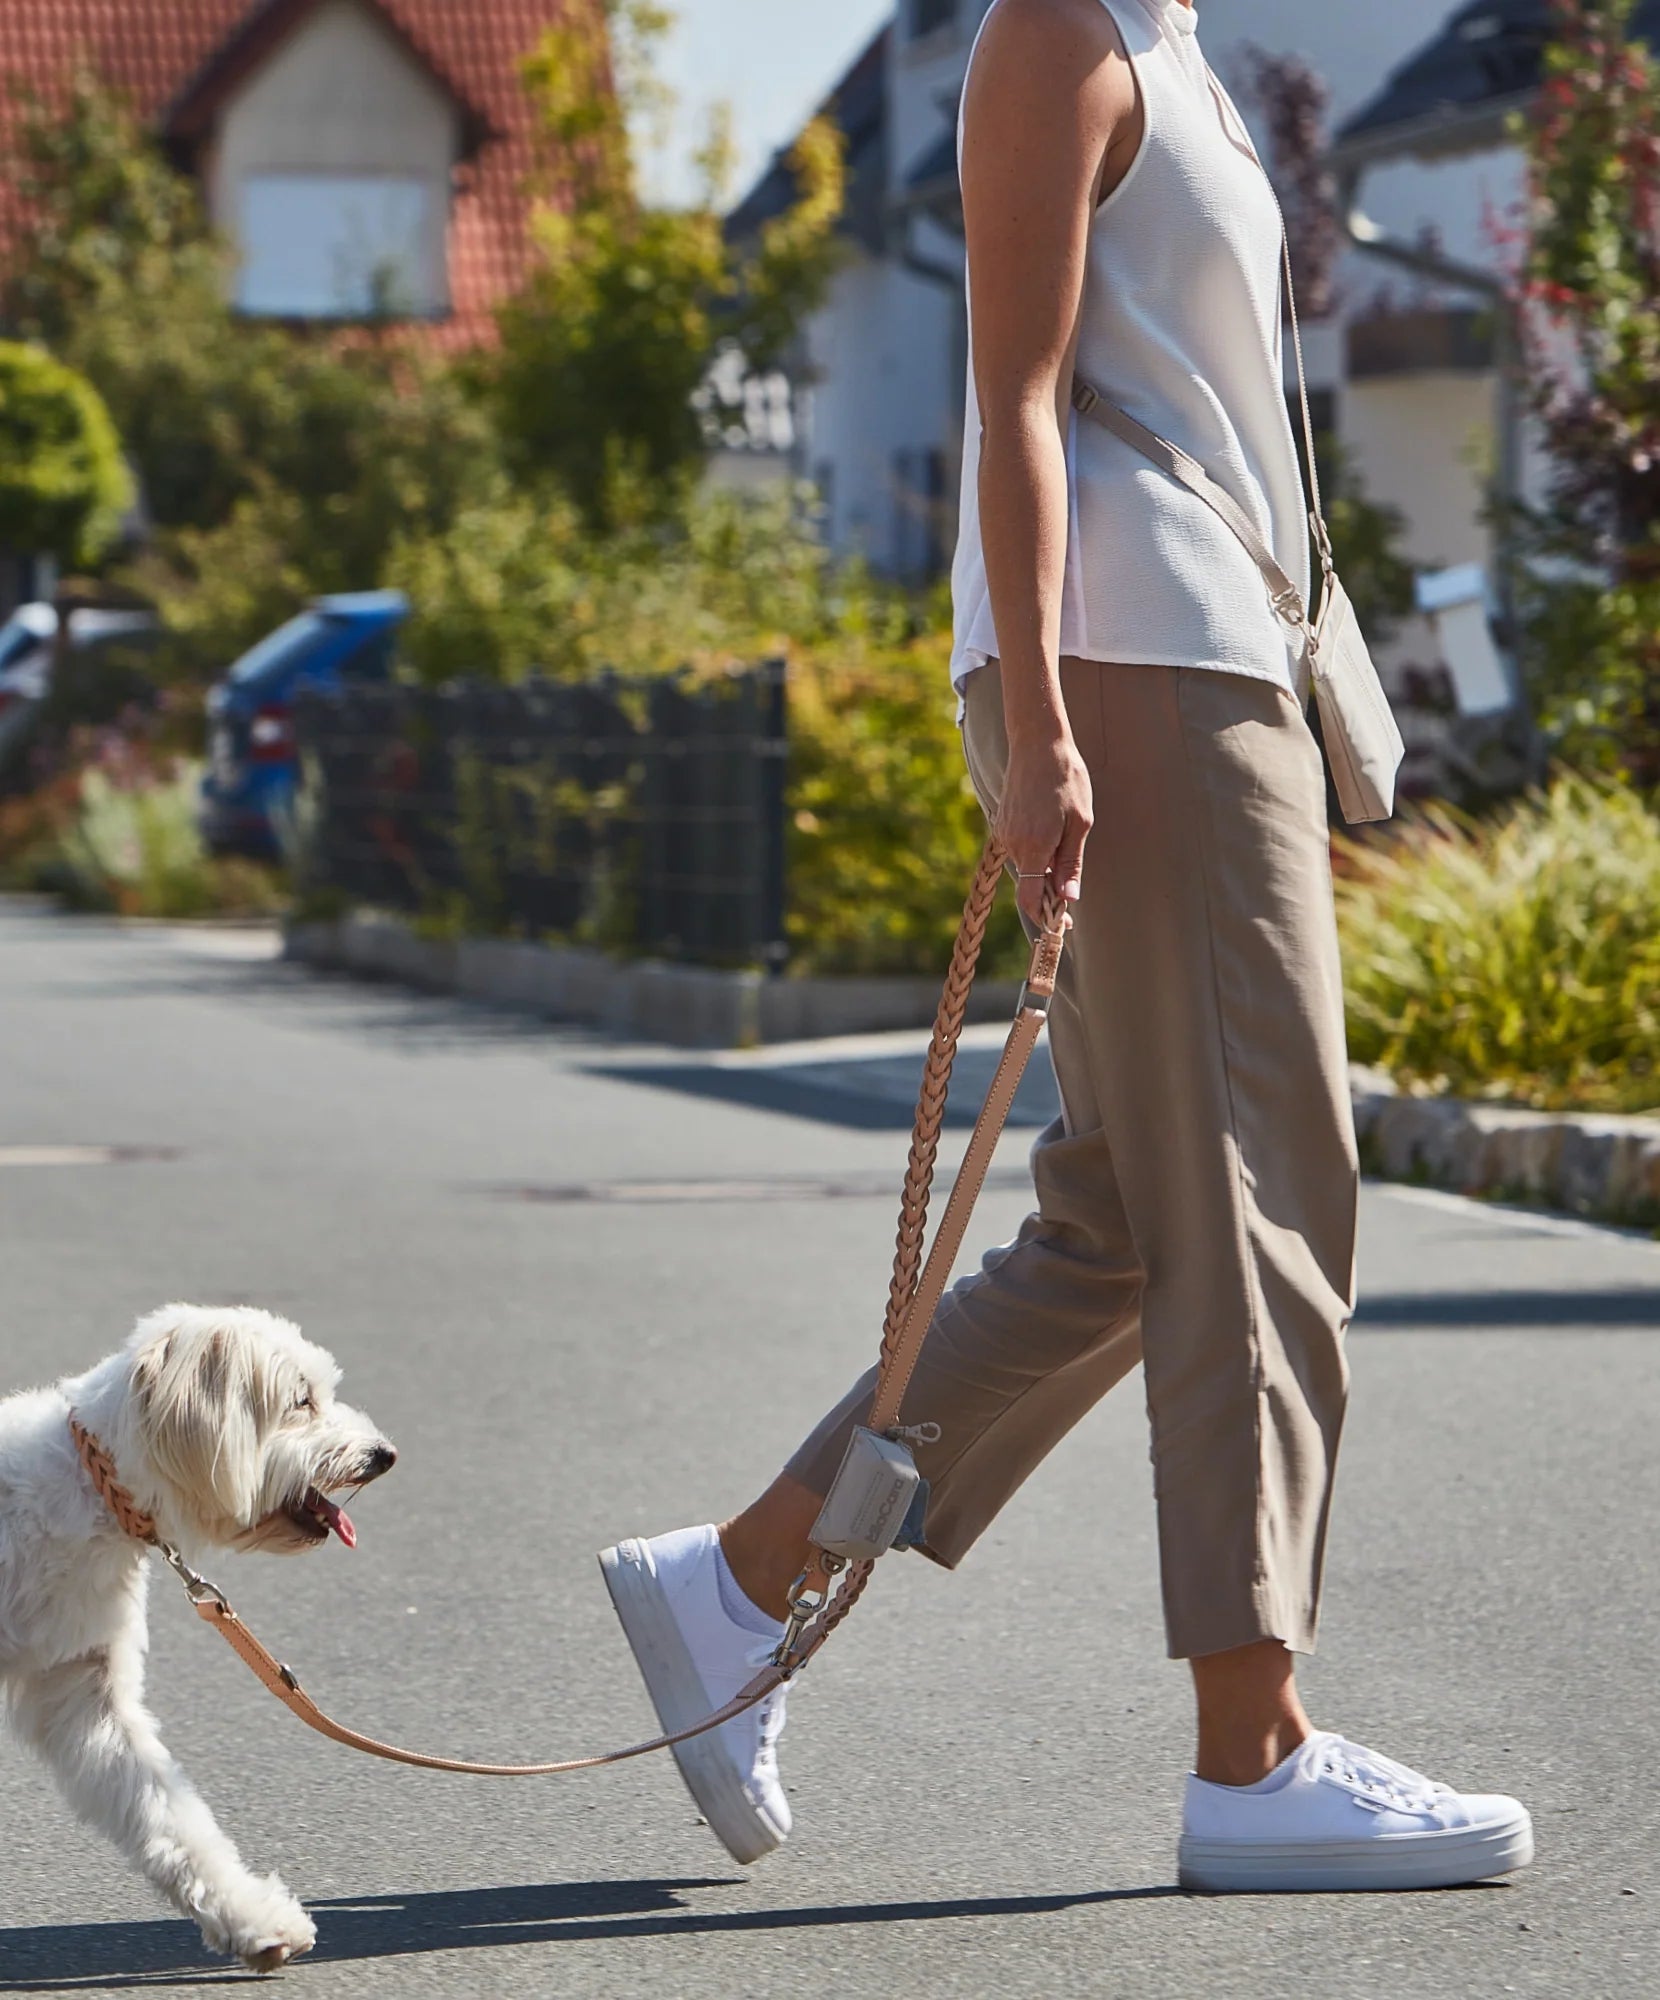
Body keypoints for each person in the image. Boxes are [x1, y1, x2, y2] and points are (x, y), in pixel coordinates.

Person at [600, 0, 1533, 1893]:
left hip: (1207, 647)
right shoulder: (1057, 30)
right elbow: (1010, 397)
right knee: (1268, 1191)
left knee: (1127, 1222)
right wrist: (1037, 722)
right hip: (1140, 664)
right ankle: (1252, 1753)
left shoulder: (1176, 45)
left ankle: (744, 1578)